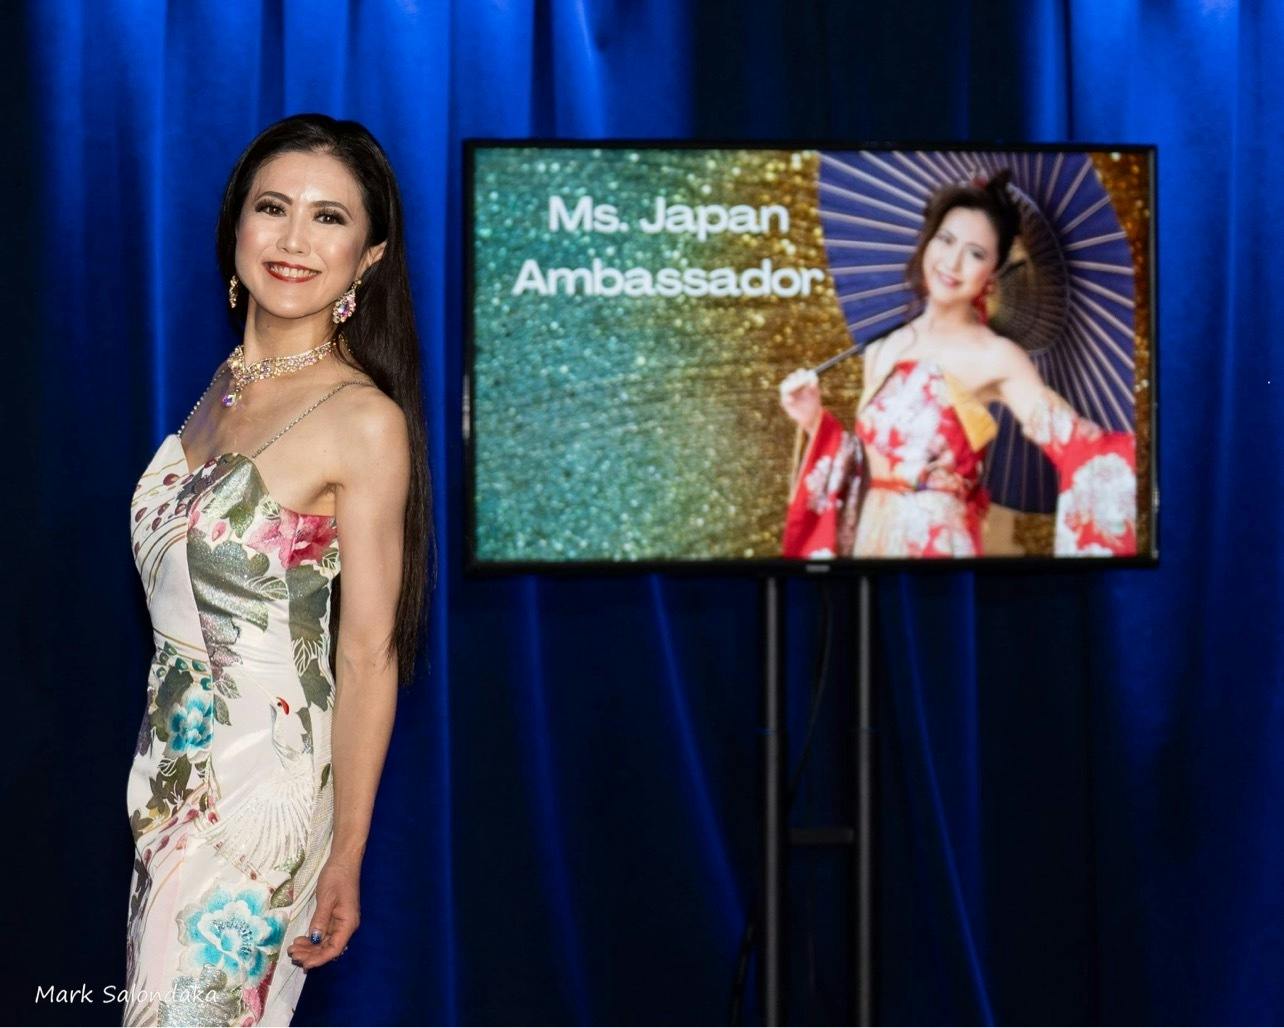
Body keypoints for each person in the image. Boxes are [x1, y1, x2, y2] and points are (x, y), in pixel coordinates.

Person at [124, 114, 432, 1026]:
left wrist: (347, 852)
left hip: (261, 802)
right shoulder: (222, 388)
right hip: (170, 785)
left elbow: (369, 653)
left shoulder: (363, 420)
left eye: (329, 218)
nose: (295, 239)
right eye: (273, 207)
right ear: (236, 226)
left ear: (369, 258)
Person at [778, 169, 1137, 559]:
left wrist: (1150, 456)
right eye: (945, 240)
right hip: (872, 543)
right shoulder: (884, 348)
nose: (952, 262)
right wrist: (814, 420)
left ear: (993, 271)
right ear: (927, 241)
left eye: (976, 253)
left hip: (940, 548)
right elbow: (868, 472)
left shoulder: (996, 355)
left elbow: (1079, 448)